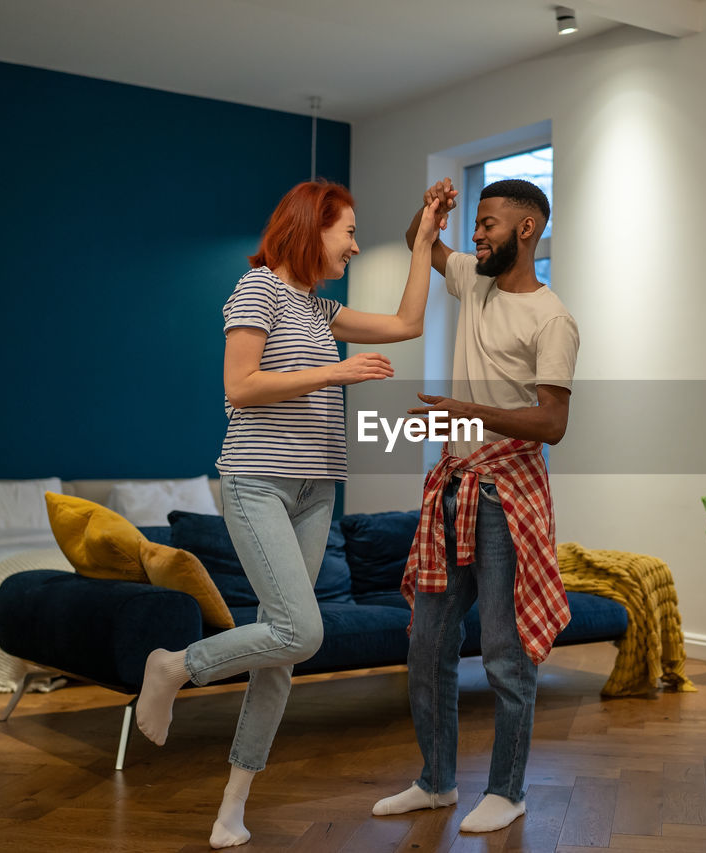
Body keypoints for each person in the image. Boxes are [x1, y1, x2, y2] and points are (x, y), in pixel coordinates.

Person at [133, 180, 446, 849]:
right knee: (300, 631)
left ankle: (231, 806)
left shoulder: (317, 307)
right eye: (349, 232)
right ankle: (174, 664)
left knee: (281, 652)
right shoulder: (260, 289)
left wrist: (422, 242)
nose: (357, 246)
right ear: (312, 225)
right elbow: (240, 386)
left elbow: (408, 323)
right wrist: (335, 374)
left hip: (316, 490)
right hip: (258, 483)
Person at [372, 178, 579, 833]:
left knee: (503, 653)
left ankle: (507, 790)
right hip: (455, 485)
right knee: (427, 644)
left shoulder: (553, 318)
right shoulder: (473, 280)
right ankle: (435, 781)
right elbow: (418, 243)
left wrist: (470, 413)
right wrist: (429, 211)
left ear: (525, 230)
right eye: (475, 222)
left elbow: (552, 422)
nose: (476, 233)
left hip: (507, 495)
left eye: (487, 223)